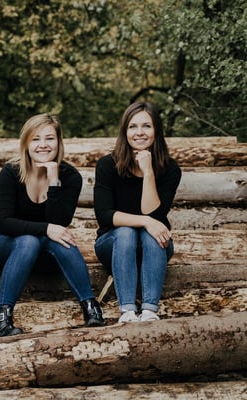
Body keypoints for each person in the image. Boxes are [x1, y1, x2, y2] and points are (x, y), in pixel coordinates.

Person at [0, 114, 105, 337]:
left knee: (63, 241)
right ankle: (2, 320)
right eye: (36, 139)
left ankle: (91, 309)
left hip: (46, 252)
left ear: (59, 142)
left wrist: (54, 180)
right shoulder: (11, 172)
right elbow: (4, 222)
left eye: (49, 138)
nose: (43, 145)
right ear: (26, 143)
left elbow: (59, 223)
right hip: (7, 244)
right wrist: (45, 229)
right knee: (29, 241)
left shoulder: (70, 177)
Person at [94, 102, 181, 323]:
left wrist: (148, 172)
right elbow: (104, 215)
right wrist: (145, 221)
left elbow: (154, 214)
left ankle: (150, 310)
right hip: (113, 245)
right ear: (125, 132)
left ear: (156, 131)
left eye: (146, 126)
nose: (139, 132)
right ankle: (128, 311)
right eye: (133, 126)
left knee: (150, 234)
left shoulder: (170, 169)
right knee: (126, 232)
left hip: (155, 247)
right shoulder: (107, 165)